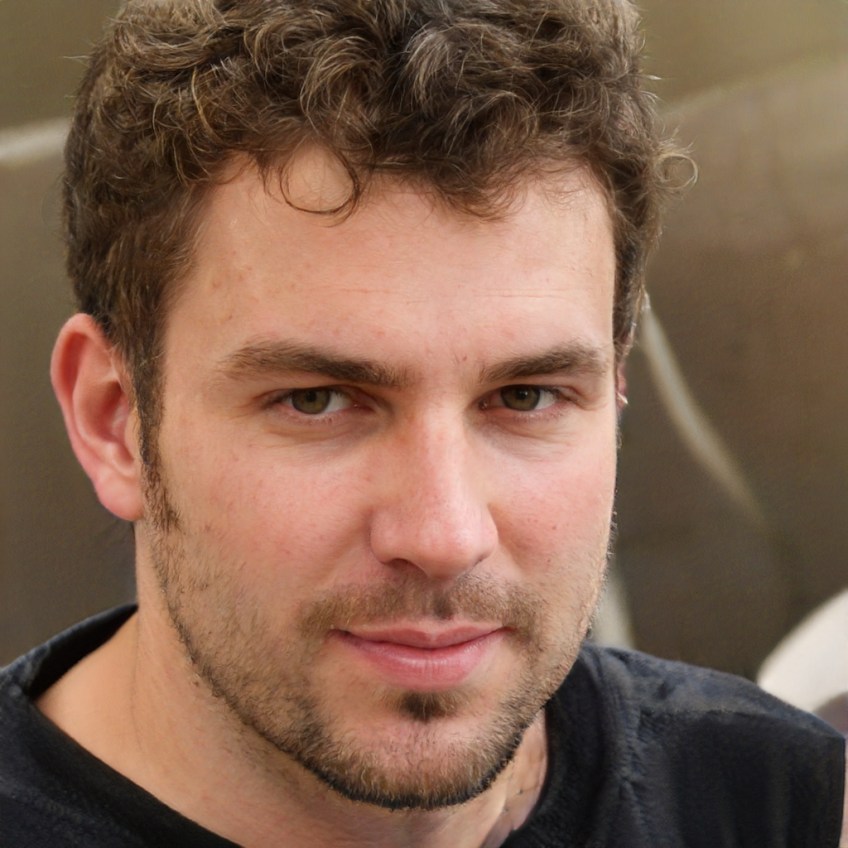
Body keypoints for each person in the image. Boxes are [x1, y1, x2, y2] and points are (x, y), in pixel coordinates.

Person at [1, 1, 845, 845]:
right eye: (317, 400)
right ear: (114, 419)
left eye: (526, 396)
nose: (445, 536)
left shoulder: (784, 807)